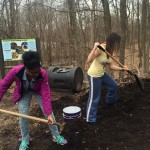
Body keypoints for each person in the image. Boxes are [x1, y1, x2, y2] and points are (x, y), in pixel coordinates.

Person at [0, 51, 67, 150]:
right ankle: (25, 138)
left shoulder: (42, 74)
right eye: (33, 72)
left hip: (38, 90)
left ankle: (56, 135)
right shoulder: (16, 71)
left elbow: (45, 94)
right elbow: (3, 86)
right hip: (24, 92)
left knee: (49, 114)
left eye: (38, 71)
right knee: (23, 115)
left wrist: (48, 114)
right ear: (26, 68)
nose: (36, 74)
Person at [86, 32, 129, 124]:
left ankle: (110, 102)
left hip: (101, 74)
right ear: (113, 41)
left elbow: (111, 66)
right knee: (94, 98)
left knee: (113, 86)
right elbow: (88, 60)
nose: (118, 45)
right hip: (94, 76)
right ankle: (90, 119)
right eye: (117, 42)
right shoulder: (101, 48)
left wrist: (122, 69)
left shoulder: (110, 50)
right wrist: (94, 48)